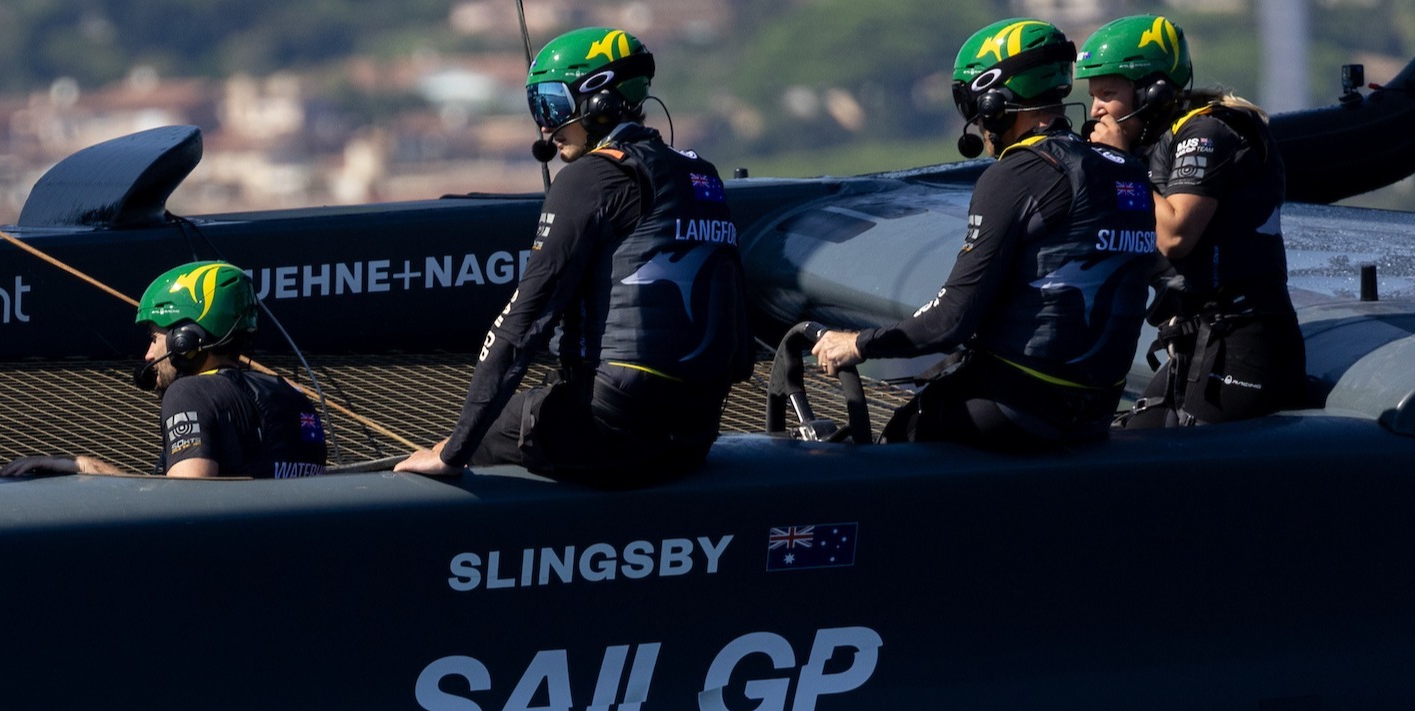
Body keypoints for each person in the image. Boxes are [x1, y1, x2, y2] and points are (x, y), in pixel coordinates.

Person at [397, 27, 751, 483]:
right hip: (693, 439)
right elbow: (740, 352)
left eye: (553, 106)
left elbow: (524, 321)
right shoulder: (701, 176)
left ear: (600, 104)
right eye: (538, 108)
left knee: (459, 444)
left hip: (607, 432)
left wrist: (453, 451)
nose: (545, 126)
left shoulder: (590, 177)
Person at [812, 20, 1161, 453]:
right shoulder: (1126, 171)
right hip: (1093, 414)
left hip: (1017, 408)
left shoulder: (1015, 174)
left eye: (971, 104)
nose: (975, 122)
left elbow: (951, 320)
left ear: (996, 100)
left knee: (894, 442)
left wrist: (859, 343)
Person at [1078, 13, 1304, 426]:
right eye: (1093, 96)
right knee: (1128, 440)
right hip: (1196, 338)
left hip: (1243, 338)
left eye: (1108, 94)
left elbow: (1176, 235)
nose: (1096, 111)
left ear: (1152, 92)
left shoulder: (1207, 134)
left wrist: (1120, 162)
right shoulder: (1161, 142)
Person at [0, 261, 328, 479]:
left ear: (185, 340)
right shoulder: (294, 396)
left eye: (155, 338)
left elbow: (181, 509)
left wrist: (86, 470)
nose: (148, 354)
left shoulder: (190, 393)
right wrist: (90, 468)